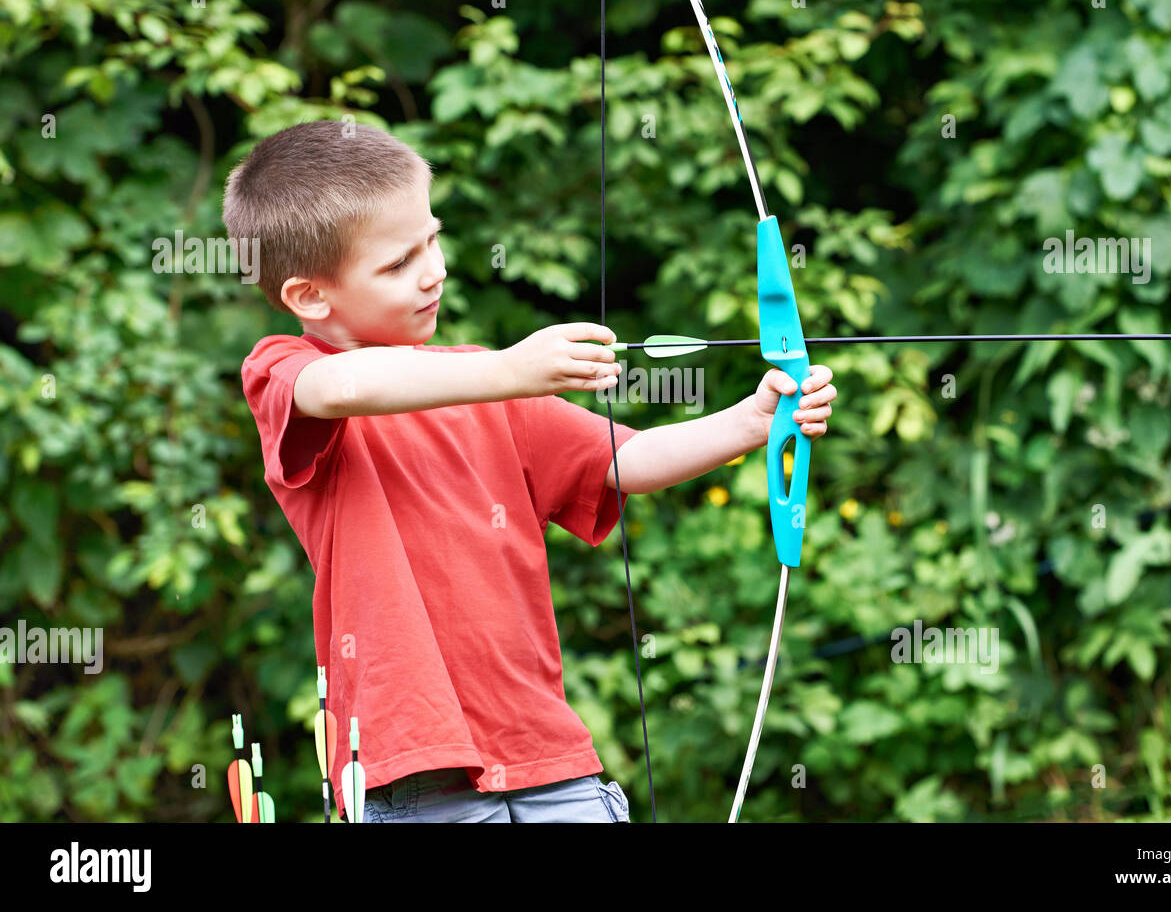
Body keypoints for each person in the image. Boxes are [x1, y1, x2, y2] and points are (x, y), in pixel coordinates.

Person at [227, 119, 836, 821]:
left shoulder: (489, 386)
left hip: (545, 750)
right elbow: (343, 389)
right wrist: (511, 369)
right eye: (398, 264)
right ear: (309, 297)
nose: (435, 270)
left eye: (434, 238)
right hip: (416, 769)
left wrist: (751, 422)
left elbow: (626, 460)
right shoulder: (286, 371)